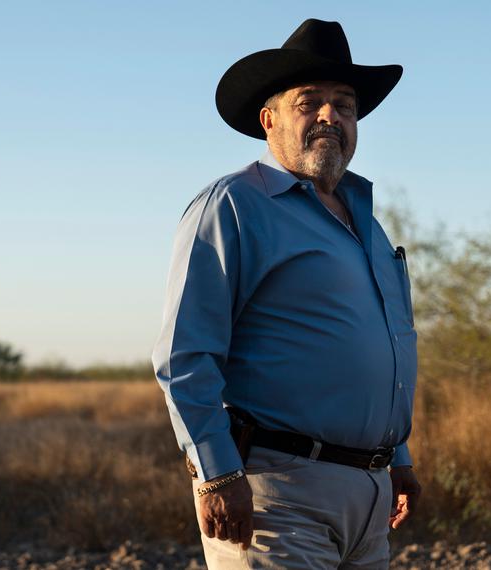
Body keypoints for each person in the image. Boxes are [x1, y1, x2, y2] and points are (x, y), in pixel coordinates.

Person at [151, 18, 421, 569]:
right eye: (309, 102)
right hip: (276, 494)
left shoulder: (368, 227)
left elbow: (379, 348)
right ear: (268, 119)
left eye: (344, 105)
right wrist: (216, 474)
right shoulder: (234, 205)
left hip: (370, 497)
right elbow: (185, 355)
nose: (330, 116)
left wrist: (397, 457)